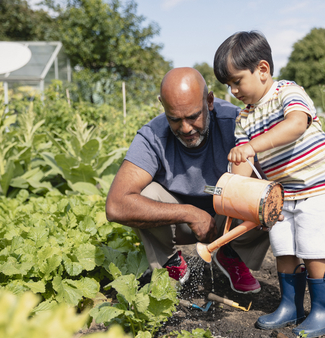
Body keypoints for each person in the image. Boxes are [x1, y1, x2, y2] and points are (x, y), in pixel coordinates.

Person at [213, 31, 325, 338]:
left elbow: (296, 124)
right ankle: (291, 305)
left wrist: (253, 147)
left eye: (236, 81)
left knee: (313, 251)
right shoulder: (244, 119)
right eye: (228, 85)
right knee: (284, 250)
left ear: (262, 70)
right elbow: (244, 165)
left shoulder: (288, 92)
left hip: (319, 186)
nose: (233, 91)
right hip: (283, 194)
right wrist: (232, 181)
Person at [105, 67, 270, 294]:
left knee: (267, 193)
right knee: (142, 195)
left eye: (193, 116)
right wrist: (189, 213)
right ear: (163, 106)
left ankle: (230, 252)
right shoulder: (152, 135)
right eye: (175, 119)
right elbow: (115, 205)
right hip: (178, 223)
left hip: (227, 217)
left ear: (209, 101)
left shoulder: (236, 122)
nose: (185, 128)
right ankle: (170, 261)